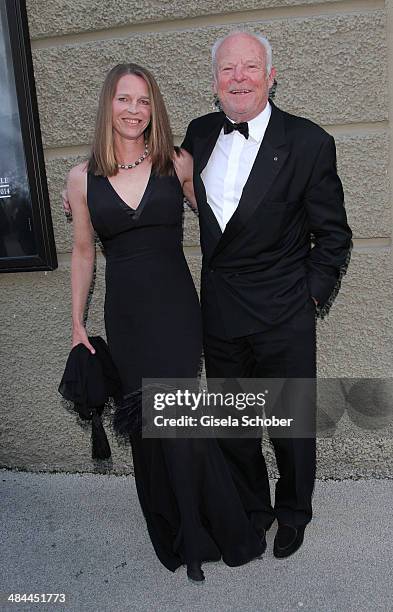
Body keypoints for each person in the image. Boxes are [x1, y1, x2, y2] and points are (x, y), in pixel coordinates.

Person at [66, 63, 264, 582]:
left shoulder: (174, 163)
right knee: (151, 429)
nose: (134, 110)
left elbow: (223, 214)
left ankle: (211, 532)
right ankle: (171, 527)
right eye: (124, 99)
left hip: (176, 310)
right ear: (108, 105)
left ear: (154, 109)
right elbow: (84, 252)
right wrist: (76, 324)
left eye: (144, 101)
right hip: (126, 316)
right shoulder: (81, 178)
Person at [181, 31, 352, 558]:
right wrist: (90, 188)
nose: (239, 78)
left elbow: (334, 236)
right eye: (228, 69)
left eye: (250, 67)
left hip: (284, 314)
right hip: (222, 311)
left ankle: (294, 511)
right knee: (235, 426)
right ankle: (253, 509)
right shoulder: (200, 133)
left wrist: (311, 299)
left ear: (270, 76)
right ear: (214, 82)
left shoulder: (308, 142)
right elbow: (149, 165)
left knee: (290, 428)